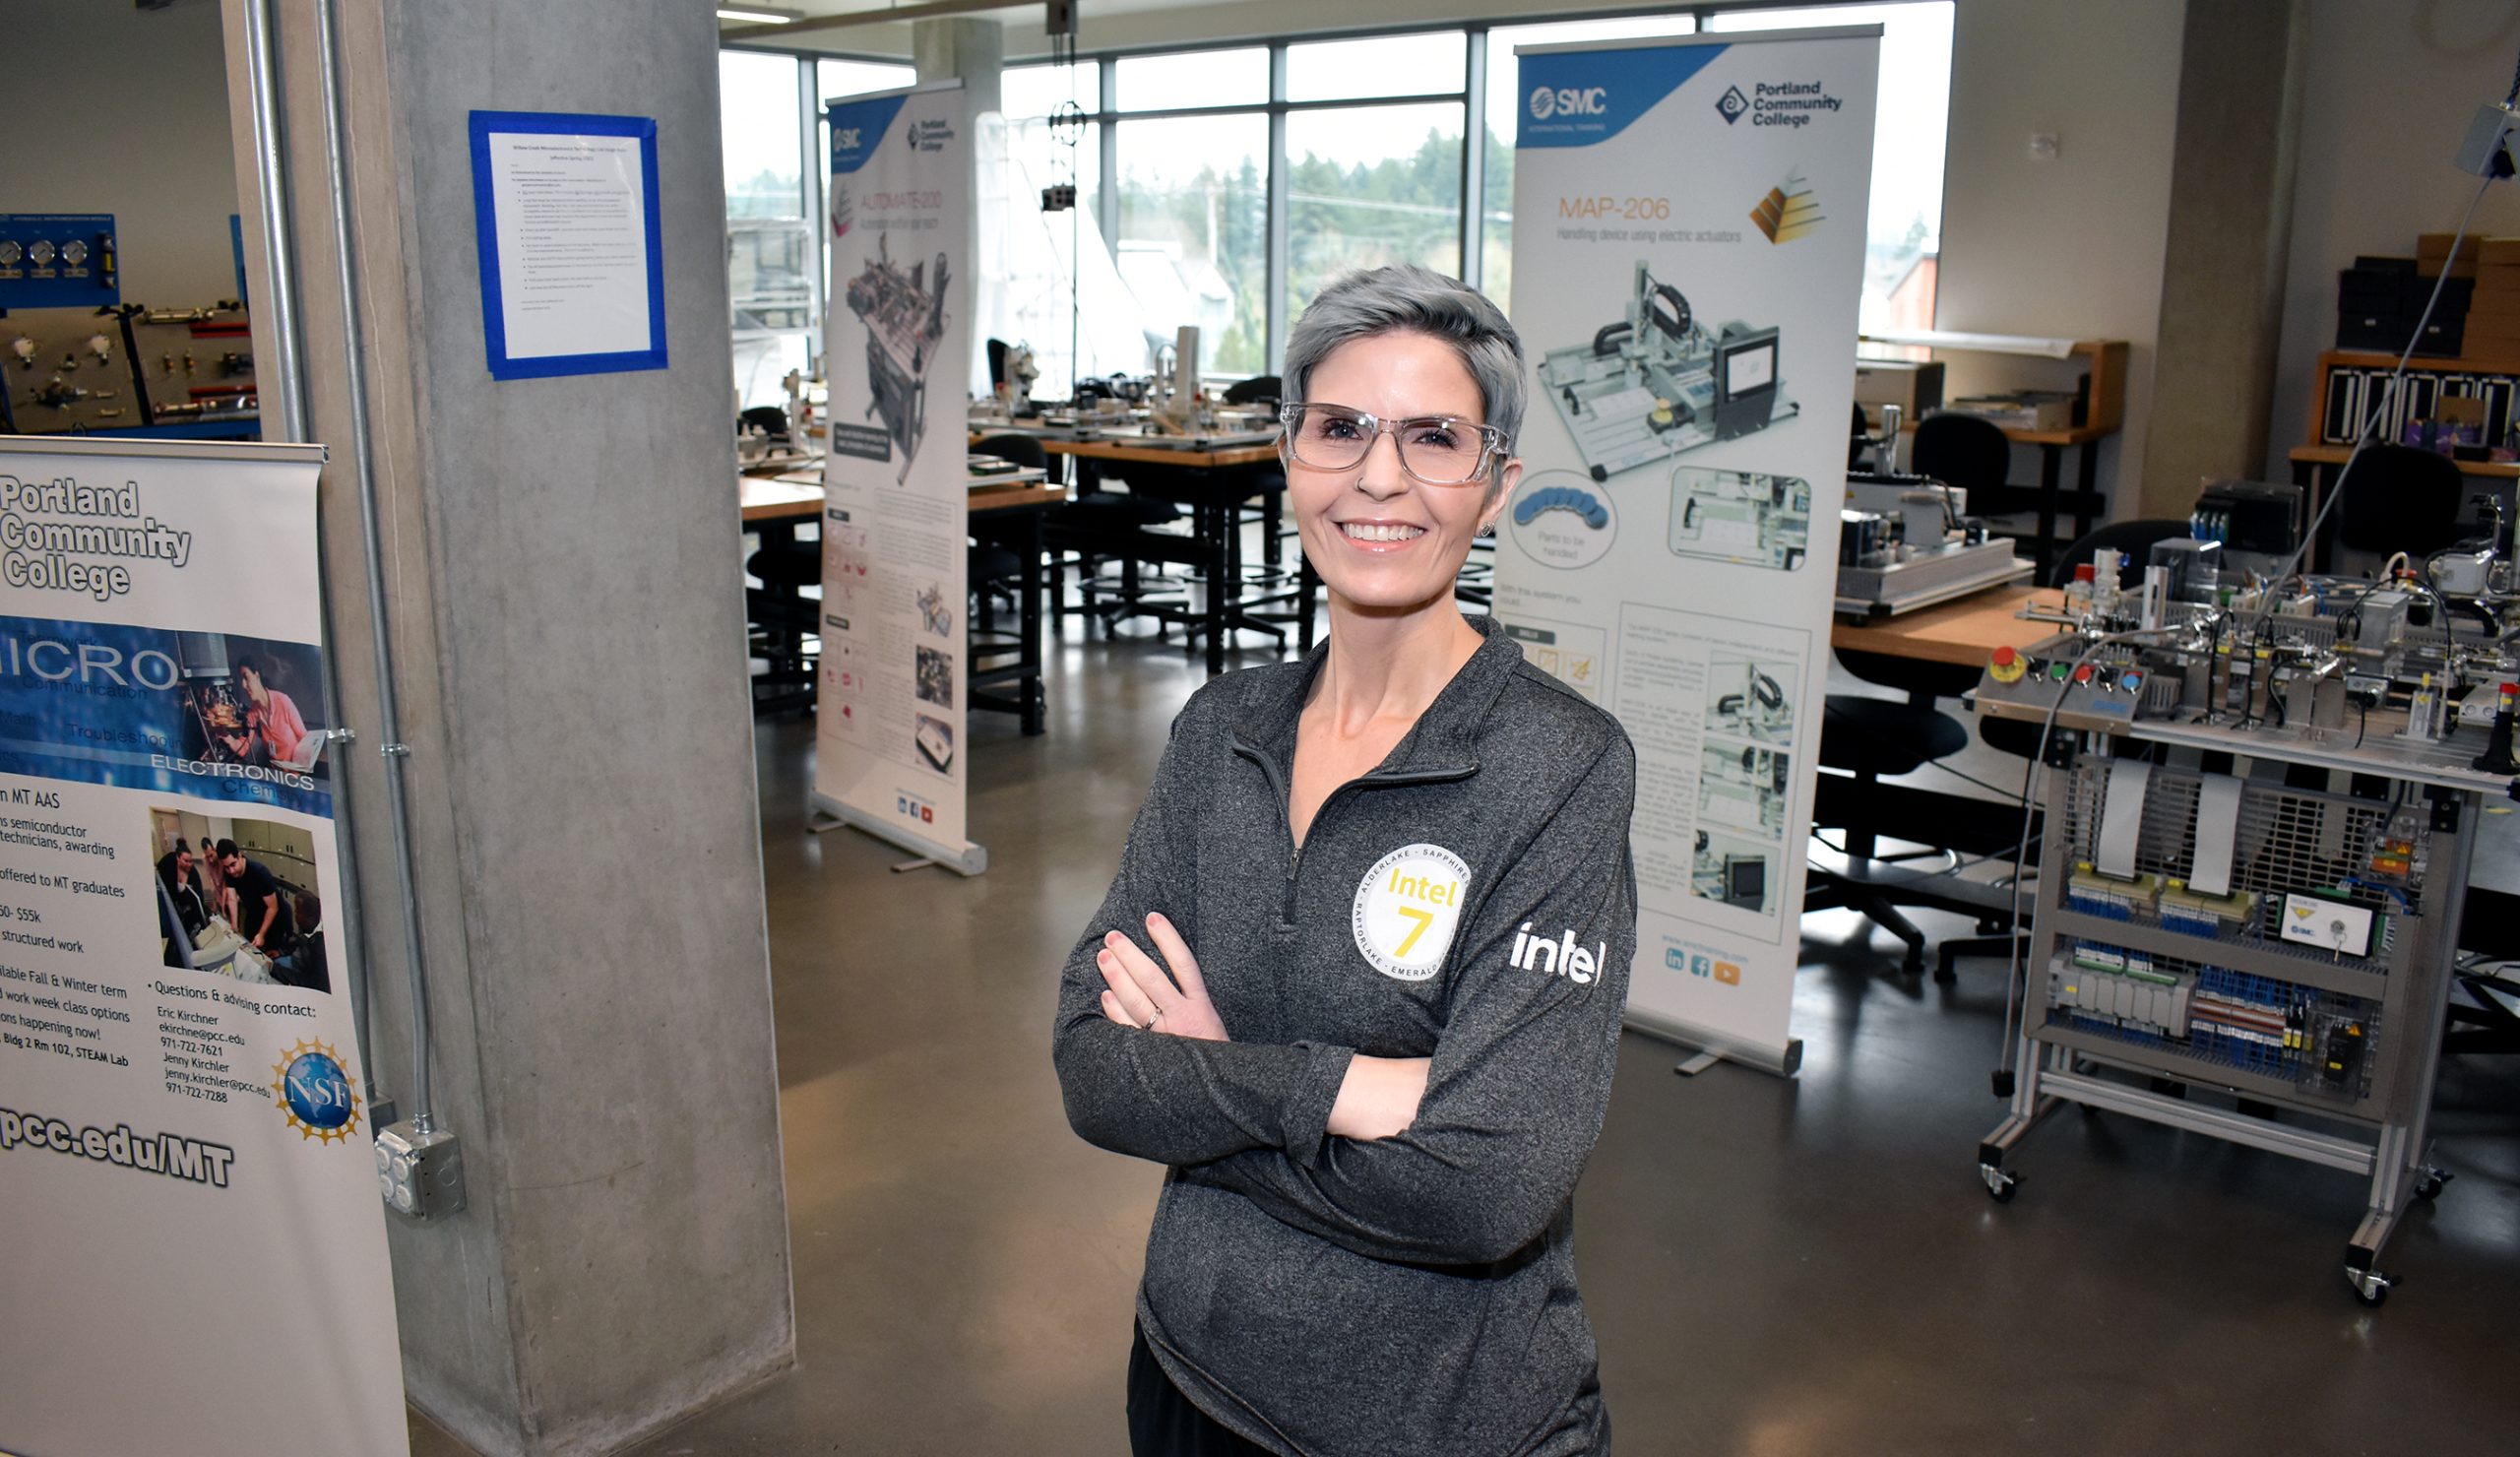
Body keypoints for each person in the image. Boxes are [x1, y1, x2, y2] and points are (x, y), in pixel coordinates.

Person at [1051, 264, 1639, 1457]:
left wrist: (1215, 1074)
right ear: (1289, 458)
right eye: (1340, 428)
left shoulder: (1560, 767)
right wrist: (1348, 1090)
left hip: (1440, 1423)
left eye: (1435, 437)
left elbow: (1485, 1187)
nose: (1379, 476)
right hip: (1187, 1373)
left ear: (1496, 486)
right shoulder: (1221, 730)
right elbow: (1092, 1069)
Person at [221, 657, 308, 767]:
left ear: (257, 676)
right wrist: (223, 734)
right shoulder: (253, 715)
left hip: (295, 773)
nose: (243, 685)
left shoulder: (282, 701)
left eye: (246, 677)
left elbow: (304, 738)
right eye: (241, 680)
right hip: (275, 773)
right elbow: (243, 749)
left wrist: (300, 768)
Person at [216, 839, 294, 953]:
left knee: (271, 954)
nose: (231, 871)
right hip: (255, 911)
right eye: (226, 867)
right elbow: (232, 899)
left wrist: (261, 934)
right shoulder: (229, 872)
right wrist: (234, 928)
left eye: (233, 865)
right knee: (248, 945)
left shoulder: (259, 872)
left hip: (275, 916)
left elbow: (273, 907)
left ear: (239, 856)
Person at [271, 892, 328, 993]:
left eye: (298, 911)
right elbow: (299, 942)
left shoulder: (320, 946)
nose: (295, 915)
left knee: (275, 967)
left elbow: (316, 985)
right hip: (299, 962)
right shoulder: (307, 926)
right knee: (277, 961)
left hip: (306, 974)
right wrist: (281, 952)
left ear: (309, 917)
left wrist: (277, 970)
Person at [157, 843, 210, 937]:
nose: (189, 864)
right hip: (171, 901)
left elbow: (198, 899)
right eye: (186, 861)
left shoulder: (193, 874)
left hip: (186, 907)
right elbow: (159, 869)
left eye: (191, 861)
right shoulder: (169, 861)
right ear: (178, 858)